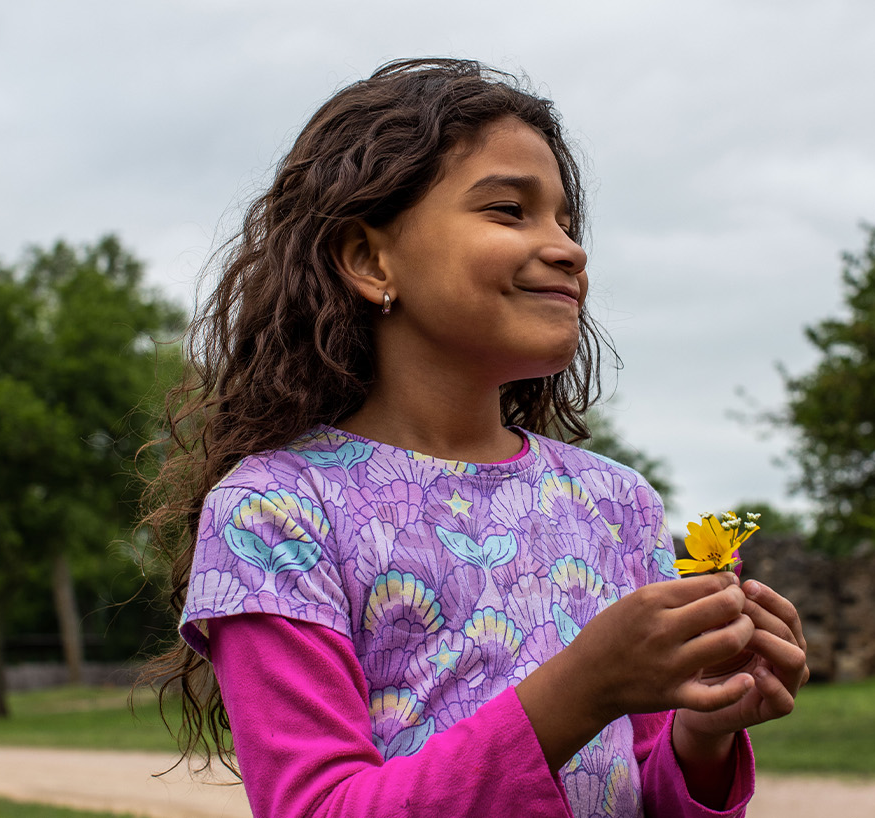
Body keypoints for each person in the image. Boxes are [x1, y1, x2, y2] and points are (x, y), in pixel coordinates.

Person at [144, 57, 810, 818]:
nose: (568, 248)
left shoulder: (615, 503)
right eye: (507, 210)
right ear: (368, 259)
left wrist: (703, 733)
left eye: (565, 219)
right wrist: (581, 686)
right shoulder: (276, 513)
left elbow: (645, 790)